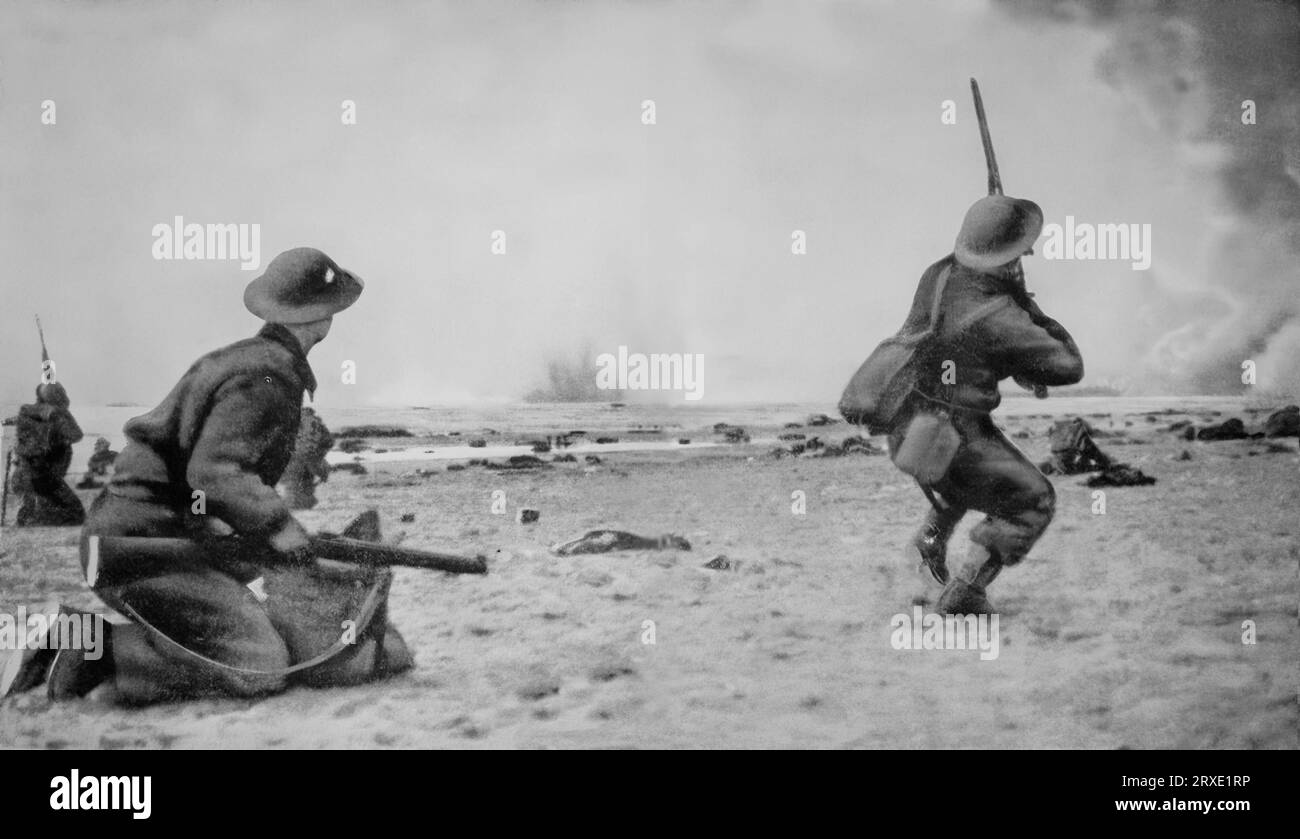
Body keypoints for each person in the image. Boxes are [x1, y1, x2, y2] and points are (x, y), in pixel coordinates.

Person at [2, 247, 413, 703]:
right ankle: (82, 647)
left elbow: (204, 477)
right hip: (145, 547)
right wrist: (281, 528)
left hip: (157, 536)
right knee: (258, 664)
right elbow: (215, 472)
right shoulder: (268, 376)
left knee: (256, 637)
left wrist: (254, 538)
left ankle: (96, 654)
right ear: (319, 315)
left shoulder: (248, 360)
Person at [886, 195, 1084, 614]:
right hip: (954, 434)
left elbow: (962, 346)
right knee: (1032, 500)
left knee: (967, 485)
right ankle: (966, 590)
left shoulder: (937, 276)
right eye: (1022, 246)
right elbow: (1068, 365)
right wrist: (1029, 306)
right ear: (1006, 254)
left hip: (909, 426)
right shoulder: (1002, 315)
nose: (1029, 251)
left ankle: (928, 545)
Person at [12, 382, 85, 526]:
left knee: (71, 512)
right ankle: (35, 516)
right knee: (76, 514)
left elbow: (76, 434)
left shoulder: (30, 412)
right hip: (41, 478)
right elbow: (76, 435)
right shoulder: (47, 413)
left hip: (33, 477)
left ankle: (33, 514)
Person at [280, 407, 334, 509]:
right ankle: (305, 503)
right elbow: (329, 441)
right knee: (307, 480)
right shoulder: (318, 423)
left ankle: (293, 505)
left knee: (293, 482)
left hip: (295, 457)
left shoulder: (295, 421)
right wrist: (319, 454)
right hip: (311, 458)